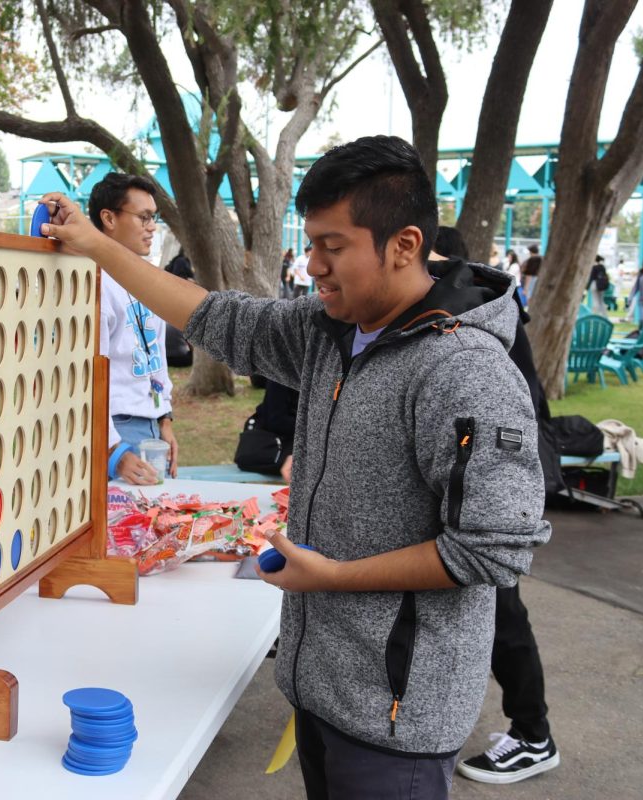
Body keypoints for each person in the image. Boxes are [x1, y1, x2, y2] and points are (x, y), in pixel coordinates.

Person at [40, 135, 551, 800]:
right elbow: (218, 318)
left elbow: (493, 551)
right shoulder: (329, 329)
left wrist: (334, 577)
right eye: (310, 244)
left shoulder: (465, 372)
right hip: (321, 690)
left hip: (396, 720)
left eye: (332, 247)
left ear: (403, 245)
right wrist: (98, 246)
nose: (312, 266)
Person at [429, 230, 561, 785]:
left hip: (498, 486)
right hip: (472, 480)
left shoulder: (479, 308)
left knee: (501, 610)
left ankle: (533, 735)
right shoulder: (468, 300)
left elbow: (505, 415)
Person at [87, 173, 179, 482]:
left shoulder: (148, 278)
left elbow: (158, 358)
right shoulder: (95, 284)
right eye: (144, 217)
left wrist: (164, 418)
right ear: (109, 218)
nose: (152, 226)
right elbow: (87, 379)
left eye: (154, 218)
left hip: (152, 424)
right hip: (116, 430)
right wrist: (114, 451)